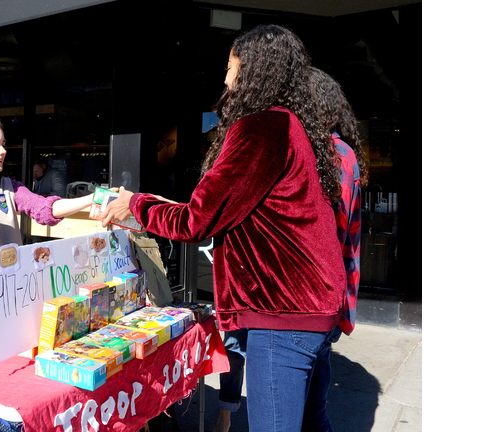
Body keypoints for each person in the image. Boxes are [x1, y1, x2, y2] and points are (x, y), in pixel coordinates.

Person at [101, 24, 346, 432]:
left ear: (254, 72)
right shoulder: (290, 125)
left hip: (284, 314)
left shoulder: (261, 128)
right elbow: (227, 210)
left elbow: (198, 221)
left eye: (231, 67)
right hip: (312, 309)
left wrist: (135, 204)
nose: (226, 79)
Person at [300, 66, 368, 432]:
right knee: (313, 411)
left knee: (307, 415)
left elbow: (328, 237)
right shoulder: (342, 154)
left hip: (313, 301)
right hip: (330, 300)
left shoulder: (328, 155)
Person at [0, 117, 95, 247]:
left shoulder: (10, 188)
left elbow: (44, 208)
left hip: (3, 272)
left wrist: (93, 199)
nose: (3, 151)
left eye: (3, 144)